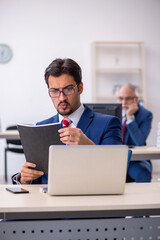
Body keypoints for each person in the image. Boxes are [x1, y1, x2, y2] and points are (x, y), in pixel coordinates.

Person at [12, 58, 122, 184]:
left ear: (80, 88)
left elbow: (116, 172)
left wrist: (88, 147)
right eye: (54, 91)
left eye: (68, 89)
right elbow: (38, 180)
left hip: (90, 198)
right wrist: (25, 179)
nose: (61, 98)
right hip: (49, 201)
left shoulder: (109, 124)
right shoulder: (41, 127)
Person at [117, 84, 153, 182]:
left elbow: (139, 141)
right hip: (115, 158)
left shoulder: (145, 115)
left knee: (142, 173)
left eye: (128, 98)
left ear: (136, 99)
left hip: (135, 159)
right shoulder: (112, 113)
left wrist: (130, 117)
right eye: (121, 98)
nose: (124, 102)